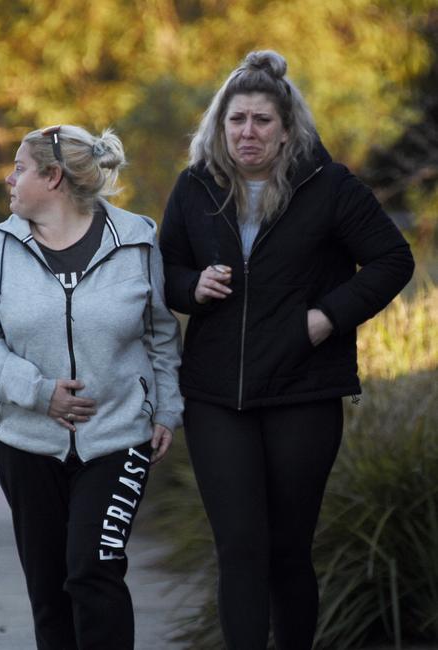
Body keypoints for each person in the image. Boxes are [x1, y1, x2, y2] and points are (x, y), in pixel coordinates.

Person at [159, 50, 414, 650]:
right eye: (237, 120)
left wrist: (328, 317)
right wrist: (190, 287)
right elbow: (164, 266)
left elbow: (392, 259)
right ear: (219, 127)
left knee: (287, 548)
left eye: (261, 121)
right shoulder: (196, 186)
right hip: (216, 393)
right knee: (240, 547)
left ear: (287, 128)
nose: (248, 132)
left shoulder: (330, 187)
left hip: (304, 389)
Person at [0, 124, 183, 650]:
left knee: (92, 572)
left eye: (20, 168)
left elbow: (160, 331)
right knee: (49, 590)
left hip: (118, 440)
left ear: (53, 177)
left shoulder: (136, 240)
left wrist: (166, 408)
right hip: (26, 445)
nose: (8, 178)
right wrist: (39, 392)